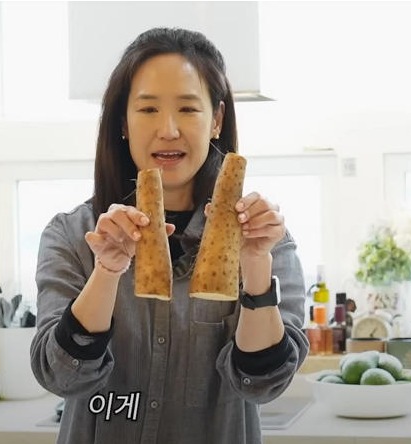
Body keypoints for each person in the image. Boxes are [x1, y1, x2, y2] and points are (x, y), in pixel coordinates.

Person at [30, 27, 309, 444]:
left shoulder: (266, 241)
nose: (168, 129)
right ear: (122, 122)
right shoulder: (73, 236)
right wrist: (106, 271)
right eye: (147, 109)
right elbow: (59, 375)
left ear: (216, 120)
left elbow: (264, 385)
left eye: (188, 108)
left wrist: (254, 268)